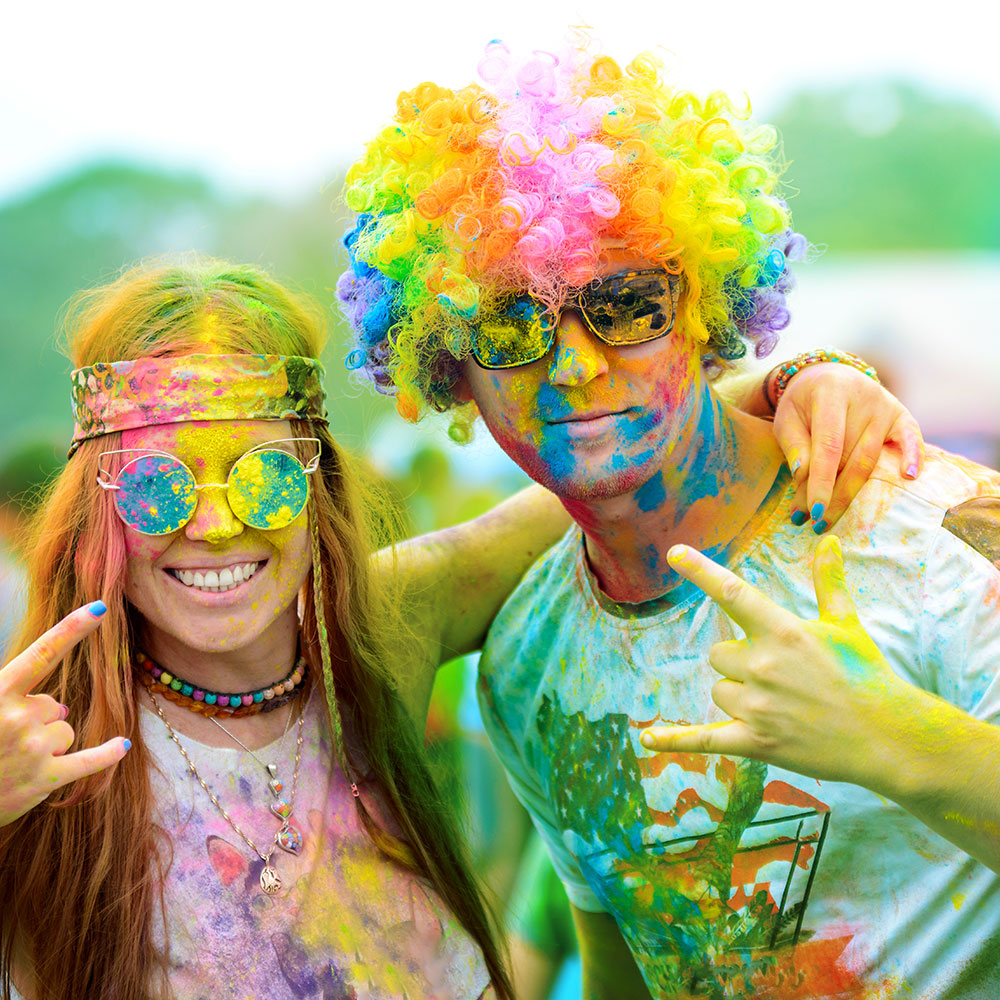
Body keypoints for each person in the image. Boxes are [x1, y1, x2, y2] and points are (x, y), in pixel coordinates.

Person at [336, 40, 1000, 999]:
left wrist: (885, 734)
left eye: (625, 303)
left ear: (705, 306)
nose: (572, 366)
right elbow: (630, 961)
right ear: (450, 368)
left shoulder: (936, 535)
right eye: (509, 325)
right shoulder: (525, 654)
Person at [0, 258, 581, 1000]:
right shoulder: (48, 755)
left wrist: (774, 389)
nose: (214, 526)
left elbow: (637, 479)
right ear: (101, 507)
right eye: (158, 486)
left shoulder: (379, 642)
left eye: (263, 473)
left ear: (318, 484)